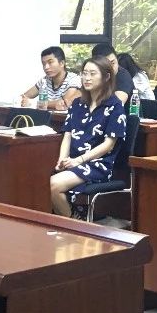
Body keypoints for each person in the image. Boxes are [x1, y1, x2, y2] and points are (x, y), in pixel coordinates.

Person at [48, 58, 128, 217]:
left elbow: (108, 145)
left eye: (92, 74)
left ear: (106, 77)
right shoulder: (77, 104)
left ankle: (73, 226)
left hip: (97, 165)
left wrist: (79, 160)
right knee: (35, 180)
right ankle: (72, 221)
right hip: (73, 161)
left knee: (53, 184)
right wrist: (61, 160)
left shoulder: (115, 106)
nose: (87, 78)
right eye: (84, 73)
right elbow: (68, 135)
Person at [20, 46, 81, 110]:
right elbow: (24, 97)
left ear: (62, 63)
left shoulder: (74, 79)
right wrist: (23, 101)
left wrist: (35, 103)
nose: (46, 67)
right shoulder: (44, 80)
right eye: (43, 64)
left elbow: (65, 103)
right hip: (46, 116)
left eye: (50, 62)